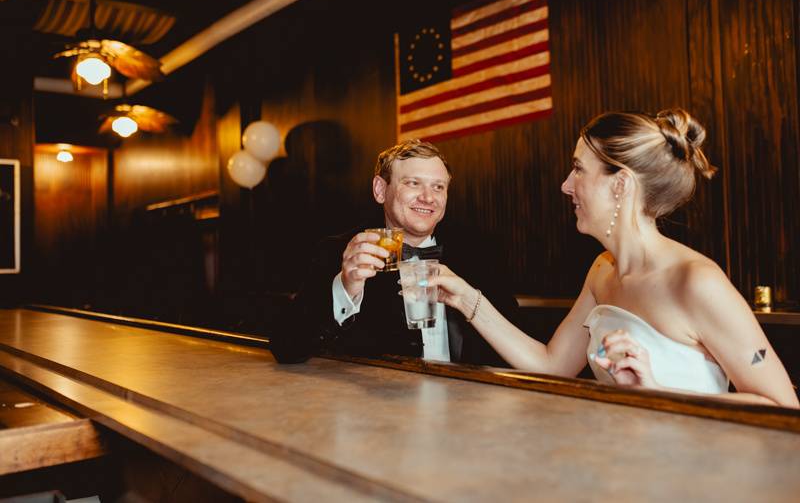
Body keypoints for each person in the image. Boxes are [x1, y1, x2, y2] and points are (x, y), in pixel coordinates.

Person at [427, 109, 799, 407]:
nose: (566, 185)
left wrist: (656, 393)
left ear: (620, 184)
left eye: (578, 169)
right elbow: (552, 365)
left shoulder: (695, 281)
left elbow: (782, 406)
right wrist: (466, 299)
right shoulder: (603, 271)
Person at [270, 139, 520, 365]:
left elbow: (518, 341)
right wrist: (344, 289)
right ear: (380, 190)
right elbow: (287, 348)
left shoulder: (480, 253)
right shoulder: (340, 250)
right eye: (413, 183)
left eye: (438, 187)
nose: (428, 198)